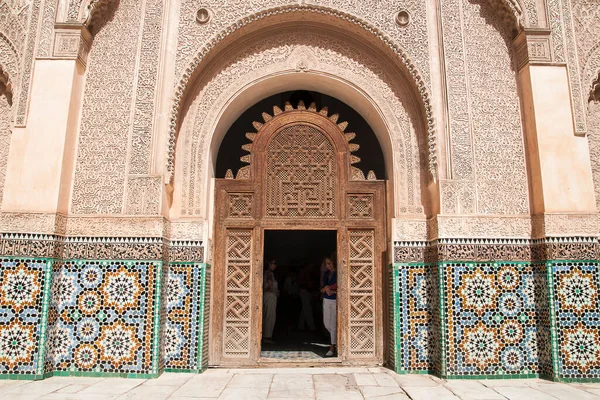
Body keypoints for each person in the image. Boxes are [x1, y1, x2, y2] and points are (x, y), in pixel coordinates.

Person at [320, 256, 337, 357]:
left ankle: (332, 347)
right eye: (327, 263)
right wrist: (325, 289)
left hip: (335, 300)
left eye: (330, 263)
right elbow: (321, 289)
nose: (329, 265)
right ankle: (335, 340)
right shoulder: (326, 274)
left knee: (333, 324)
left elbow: (342, 287)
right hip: (326, 300)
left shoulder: (338, 273)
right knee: (327, 324)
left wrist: (333, 291)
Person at [263, 259, 278, 344]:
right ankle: (267, 336)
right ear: (269, 264)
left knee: (267, 314)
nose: (275, 265)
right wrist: (272, 289)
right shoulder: (269, 273)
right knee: (270, 315)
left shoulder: (266, 273)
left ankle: (266, 335)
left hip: (268, 295)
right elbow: (269, 282)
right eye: (273, 263)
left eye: (275, 264)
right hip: (270, 295)